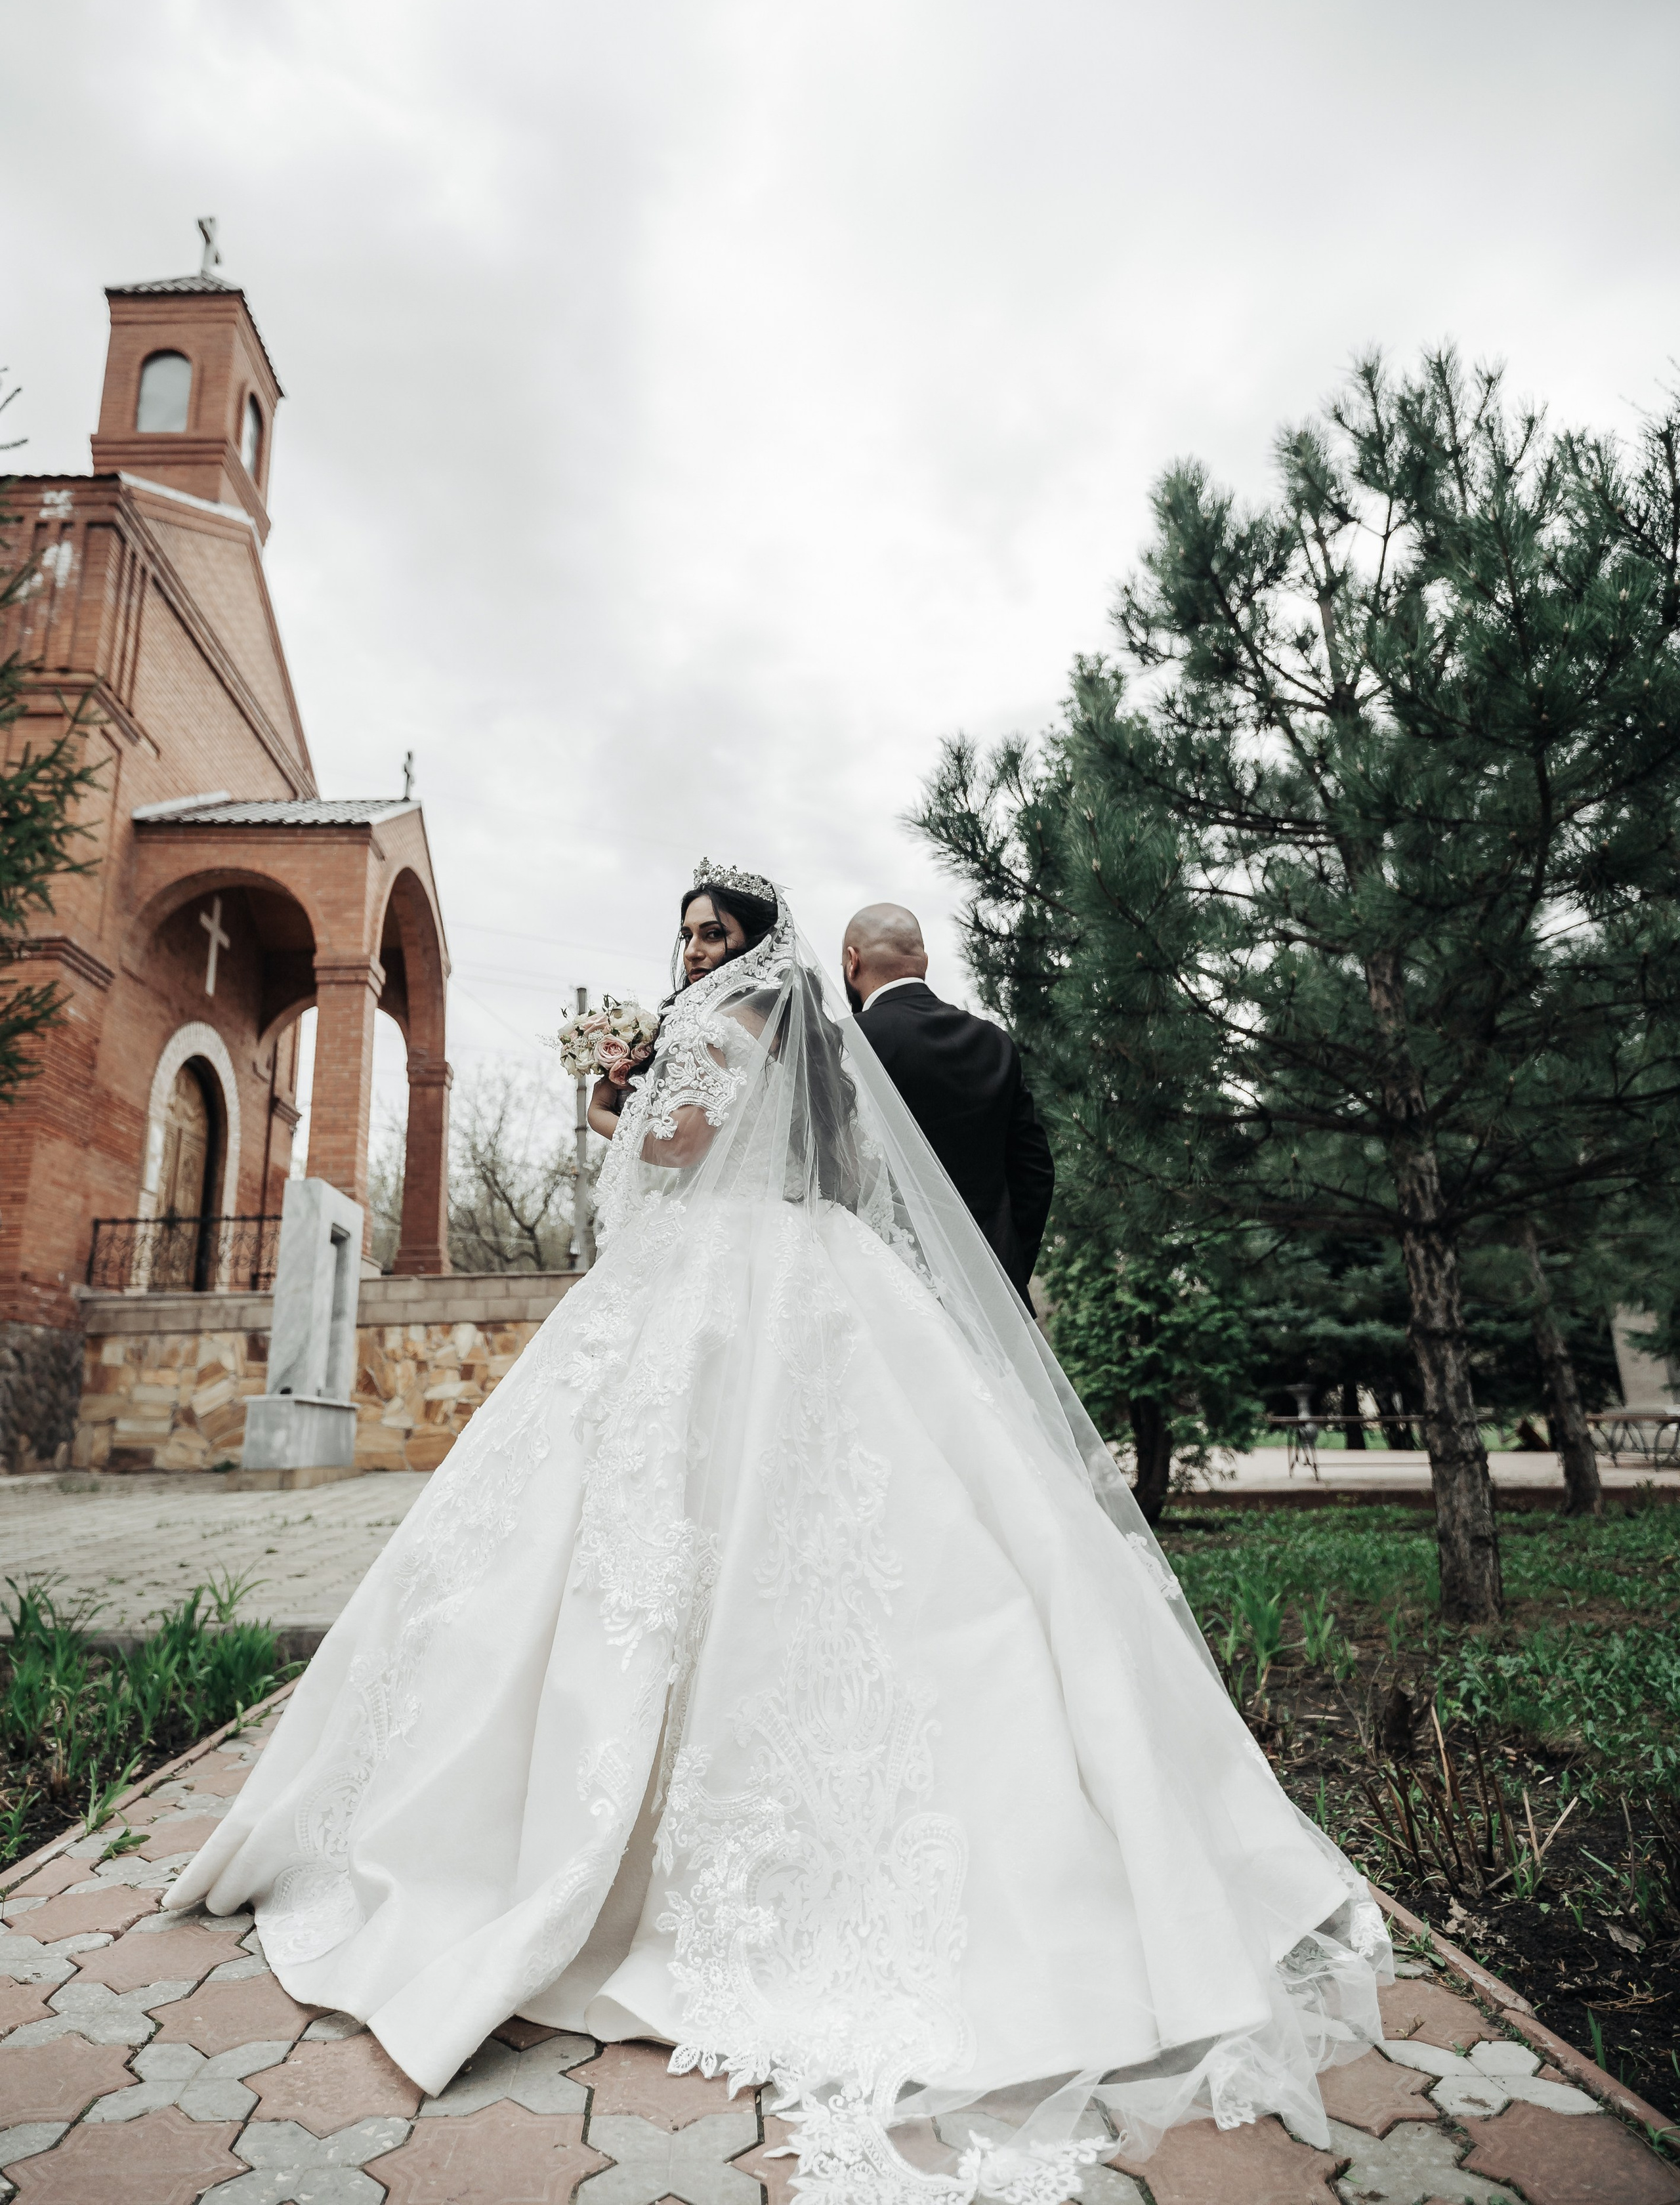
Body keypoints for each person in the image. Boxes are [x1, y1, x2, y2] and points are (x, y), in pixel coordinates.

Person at [169, 863, 1387, 2205]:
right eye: (685, 929)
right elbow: (852, 1171)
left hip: (715, 1287)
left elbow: (678, 1159)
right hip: (810, 1275)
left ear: (752, 942)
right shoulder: (816, 1036)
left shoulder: (722, 1022)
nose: (694, 947)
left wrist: (618, 1102)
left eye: (711, 929)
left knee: (704, 1533)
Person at [843, 903, 1054, 1304]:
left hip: (886, 1293)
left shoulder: (844, 1042)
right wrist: (1005, 1271)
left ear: (852, 962)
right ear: (922, 960)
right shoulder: (994, 1042)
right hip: (991, 1296)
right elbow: (1035, 1172)